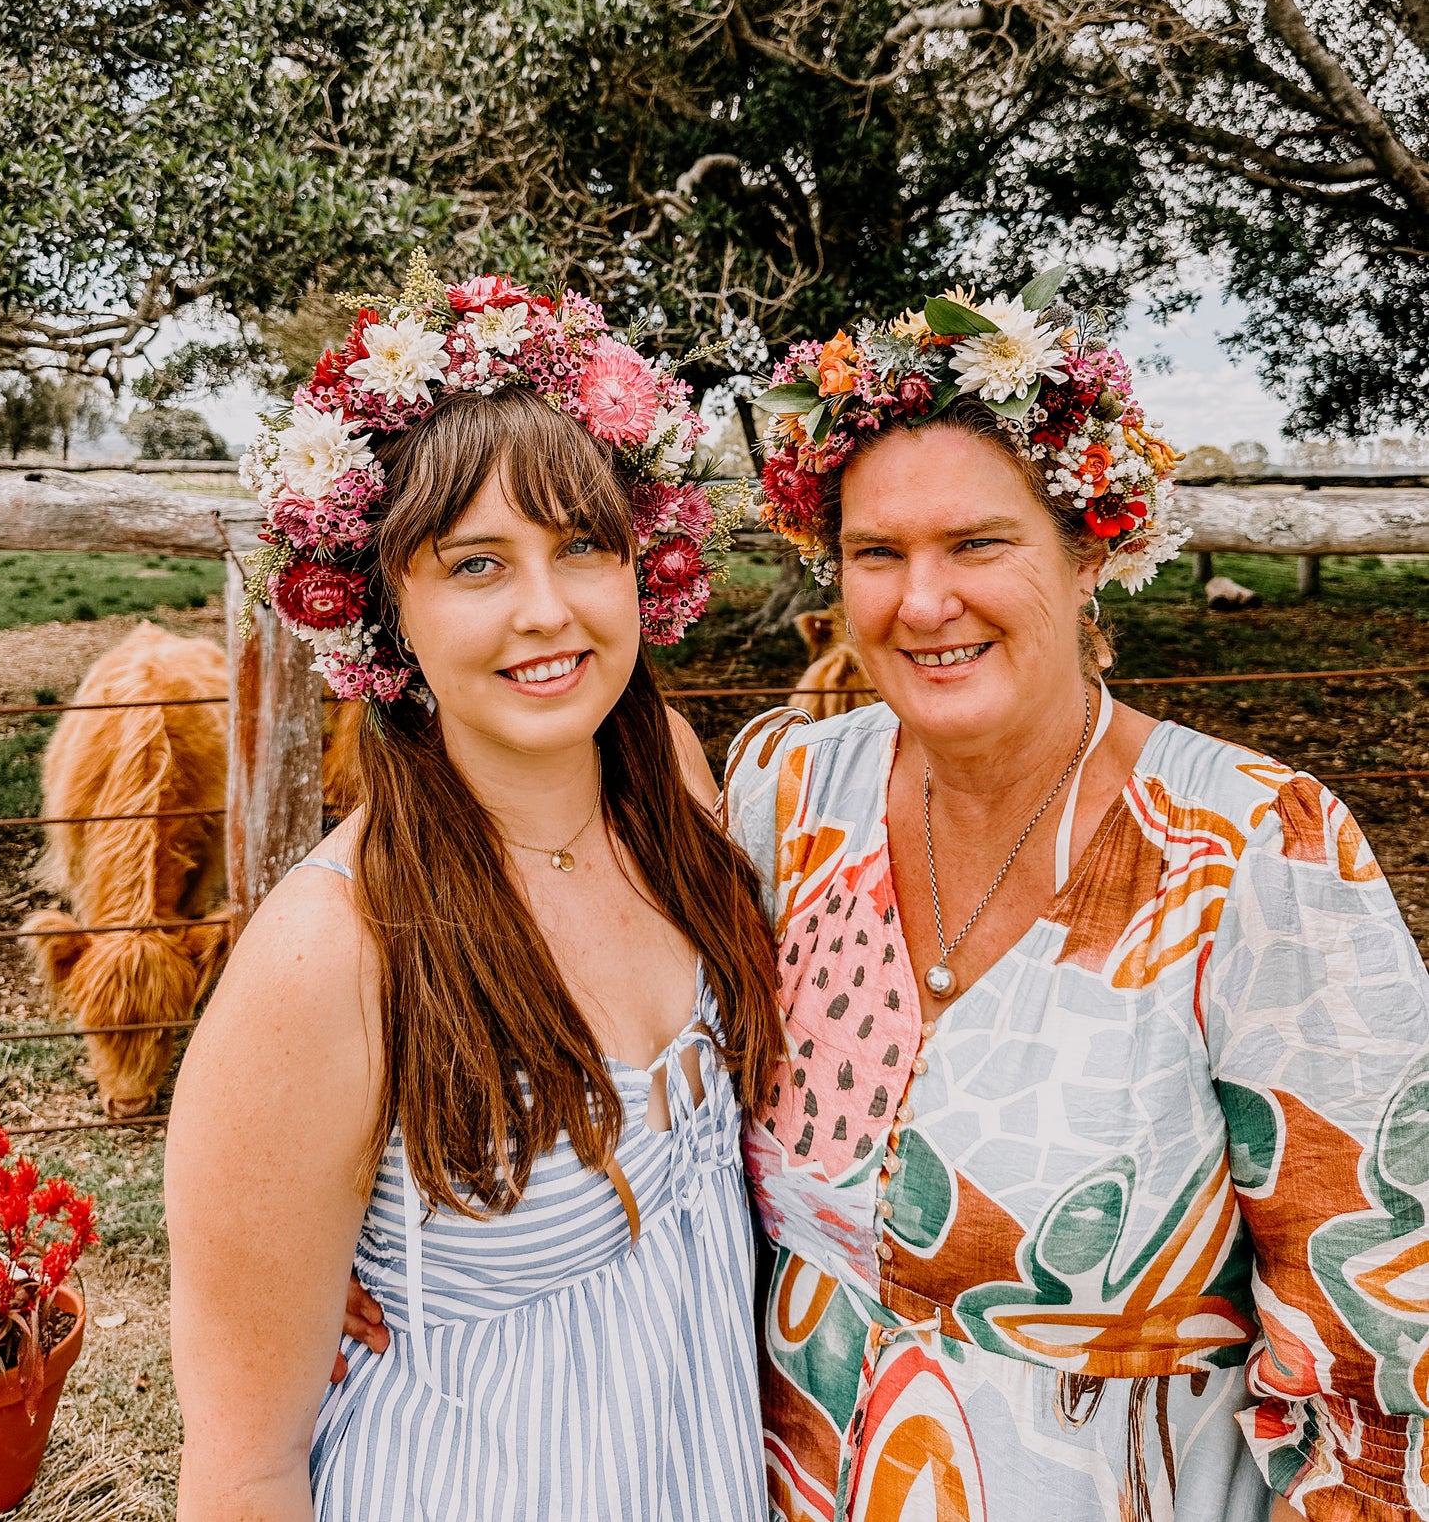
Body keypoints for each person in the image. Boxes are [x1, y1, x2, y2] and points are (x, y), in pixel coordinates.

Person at [722, 270, 1429, 1520]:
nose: (920, 600)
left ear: (1088, 547)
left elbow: (1381, 1366)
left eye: (977, 543)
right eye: (874, 552)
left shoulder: (1261, 851)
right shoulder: (786, 792)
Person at [166, 267, 780, 1522]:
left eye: (580, 548)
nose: (545, 611)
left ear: (641, 567)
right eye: (476, 564)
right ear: (385, 607)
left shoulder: (673, 795)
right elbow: (242, 1465)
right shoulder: (331, 954)